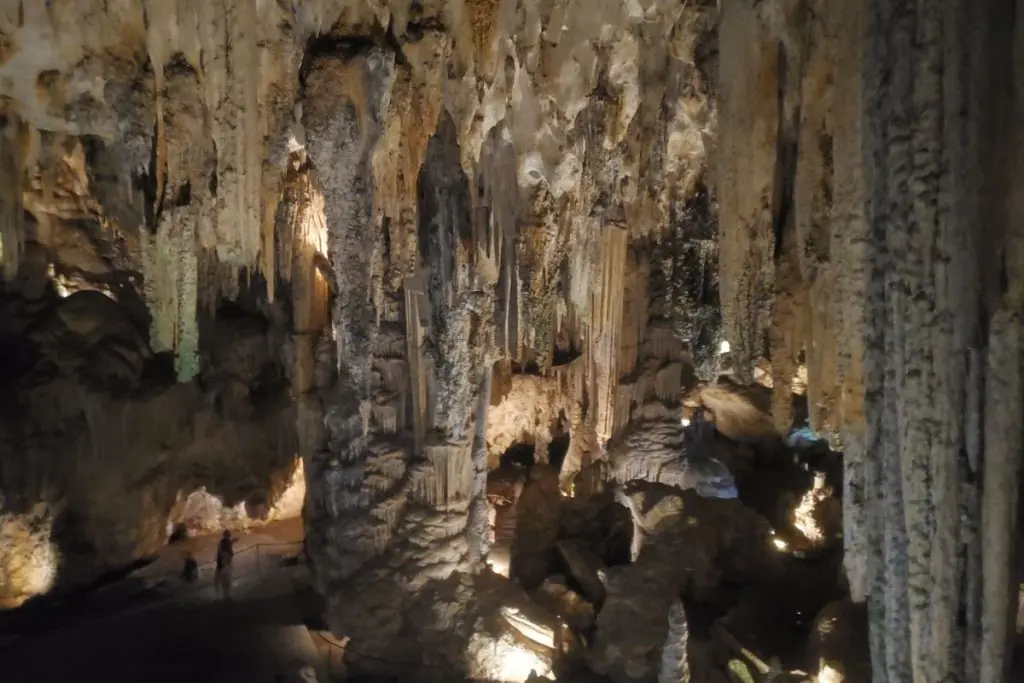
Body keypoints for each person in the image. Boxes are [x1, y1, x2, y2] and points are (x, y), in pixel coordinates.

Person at [215, 530, 235, 599]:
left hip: (225, 564)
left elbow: (221, 553)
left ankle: (223, 595)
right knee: (225, 580)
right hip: (224, 564)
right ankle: (225, 595)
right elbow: (225, 553)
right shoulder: (225, 543)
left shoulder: (225, 543)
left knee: (224, 580)